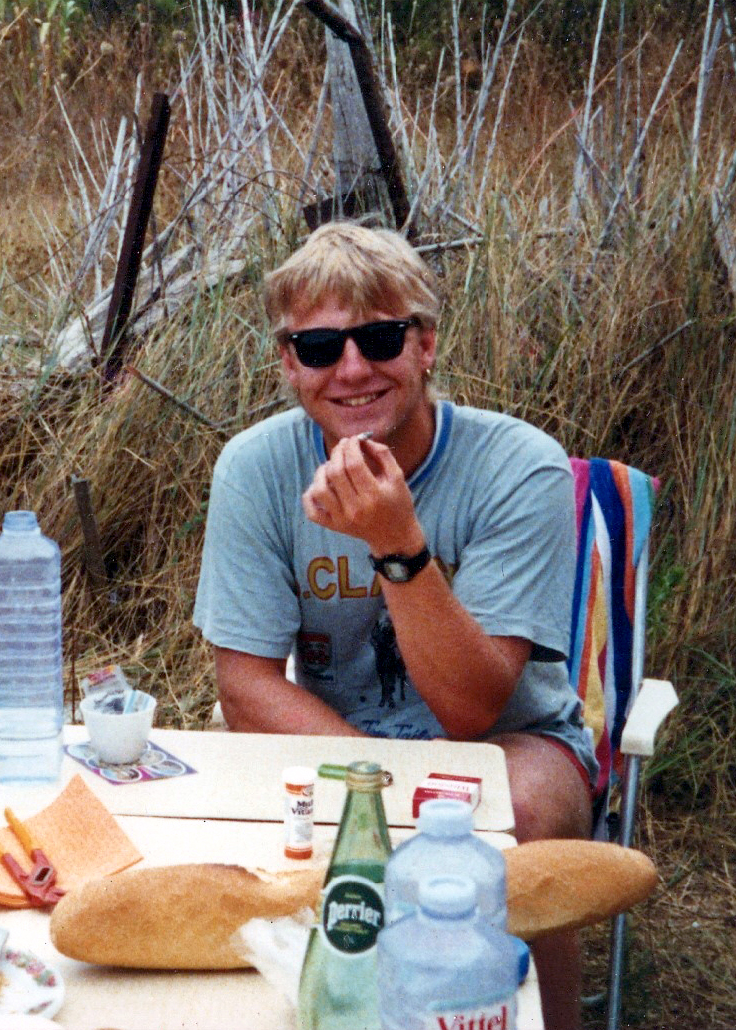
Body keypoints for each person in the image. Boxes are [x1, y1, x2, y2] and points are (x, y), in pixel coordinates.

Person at [193, 222, 593, 1030]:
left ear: (425, 346)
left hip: (507, 741)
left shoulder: (520, 466)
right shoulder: (254, 468)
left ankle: (549, 1018)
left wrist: (396, 546)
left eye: (379, 337)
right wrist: (373, 792)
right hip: (339, 740)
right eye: (317, 346)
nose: (350, 369)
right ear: (286, 362)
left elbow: (472, 709)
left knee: (528, 810)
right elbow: (243, 684)